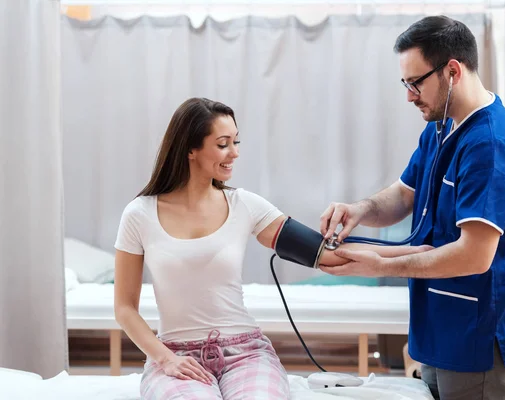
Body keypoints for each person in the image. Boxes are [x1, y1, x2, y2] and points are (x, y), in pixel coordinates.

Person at [113, 97, 430, 400]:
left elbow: (326, 255)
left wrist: (419, 254)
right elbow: (125, 307)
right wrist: (165, 360)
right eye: (222, 144)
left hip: (245, 353)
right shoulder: (140, 214)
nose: (234, 152)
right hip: (175, 353)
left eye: (236, 142)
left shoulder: (244, 205)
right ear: (190, 150)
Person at [319, 16, 505, 400]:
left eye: (415, 83)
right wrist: (360, 209)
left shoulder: (490, 146)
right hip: (439, 323)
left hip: (477, 333)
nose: (409, 96)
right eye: (405, 84)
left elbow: (474, 255)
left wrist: (381, 265)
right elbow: (405, 194)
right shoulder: (441, 126)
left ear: (452, 71)